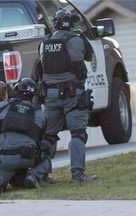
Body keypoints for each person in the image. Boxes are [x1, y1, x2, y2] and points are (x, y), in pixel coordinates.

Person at [36, 8, 97, 184]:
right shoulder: (76, 40)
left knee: (48, 136)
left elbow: (40, 68)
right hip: (73, 95)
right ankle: (77, 175)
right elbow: (89, 56)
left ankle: (39, 174)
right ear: (71, 24)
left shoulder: (44, 43)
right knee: (78, 134)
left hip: (50, 95)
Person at [0, 78, 47, 200]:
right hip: (28, 157)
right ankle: (32, 176)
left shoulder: (3, 107)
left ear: (16, 90)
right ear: (34, 93)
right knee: (46, 157)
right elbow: (41, 138)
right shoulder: (39, 113)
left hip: (5, 156)